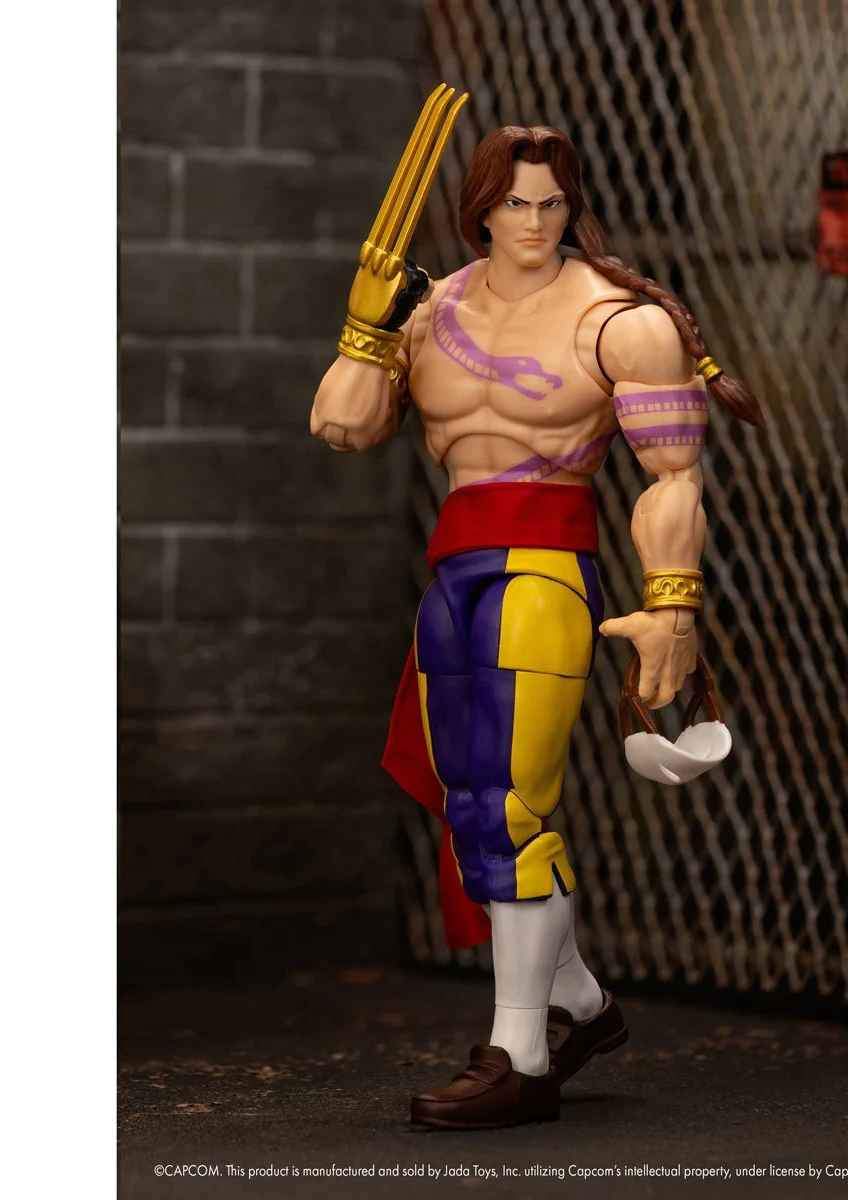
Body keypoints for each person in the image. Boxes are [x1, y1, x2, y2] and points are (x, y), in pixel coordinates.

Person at [310, 123, 761, 1129]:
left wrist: (673, 607)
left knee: (512, 807)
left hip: (547, 569)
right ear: (482, 207)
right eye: (516, 202)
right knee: (473, 806)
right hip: (455, 572)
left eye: (552, 203)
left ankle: (519, 1057)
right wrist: (365, 325)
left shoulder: (619, 323)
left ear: (573, 206)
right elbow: (342, 424)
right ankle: (583, 1005)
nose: (534, 221)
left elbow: (673, 477)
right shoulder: (434, 311)